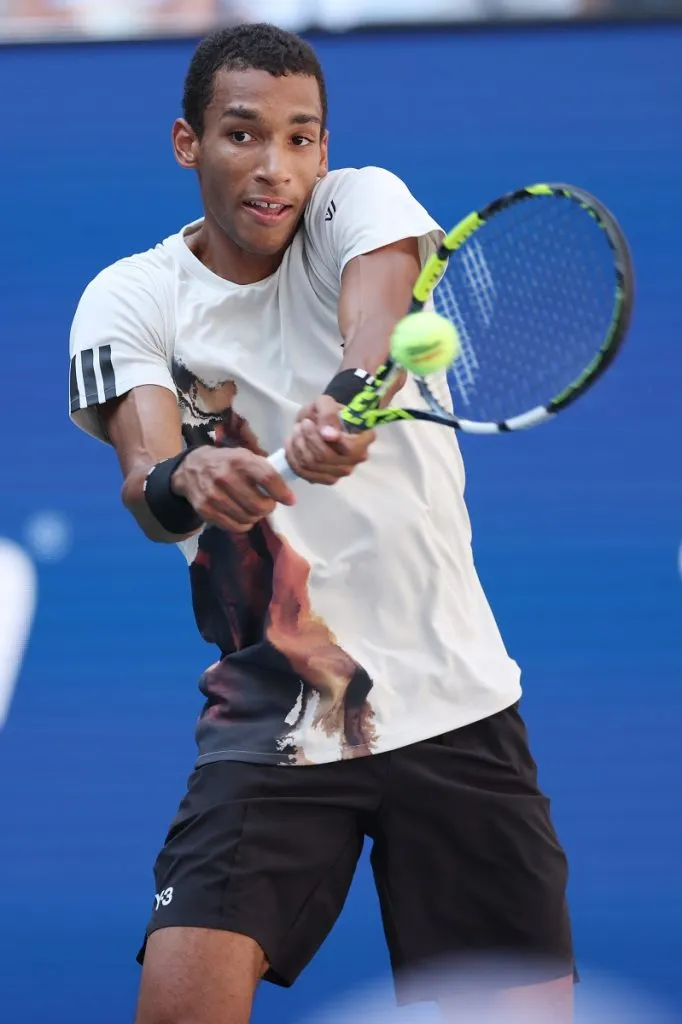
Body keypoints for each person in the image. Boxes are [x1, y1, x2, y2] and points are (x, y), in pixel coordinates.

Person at [68, 23, 575, 1024]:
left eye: (303, 137)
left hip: (453, 703)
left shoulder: (361, 201)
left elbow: (377, 332)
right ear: (187, 144)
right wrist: (195, 473)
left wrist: (348, 401)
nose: (277, 167)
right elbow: (145, 478)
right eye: (244, 134)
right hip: (275, 717)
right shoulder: (129, 297)